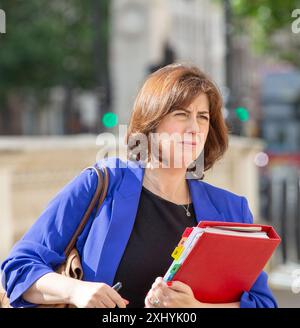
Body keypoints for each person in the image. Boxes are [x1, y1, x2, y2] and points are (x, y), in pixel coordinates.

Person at [1, 63, 277, 308]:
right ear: (152, 122)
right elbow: (17, 268)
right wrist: (77, 291)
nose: (194, 128)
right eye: (181, 114)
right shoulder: (100, 184)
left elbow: (263, 303)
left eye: (202, 117)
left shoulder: (231, 209)